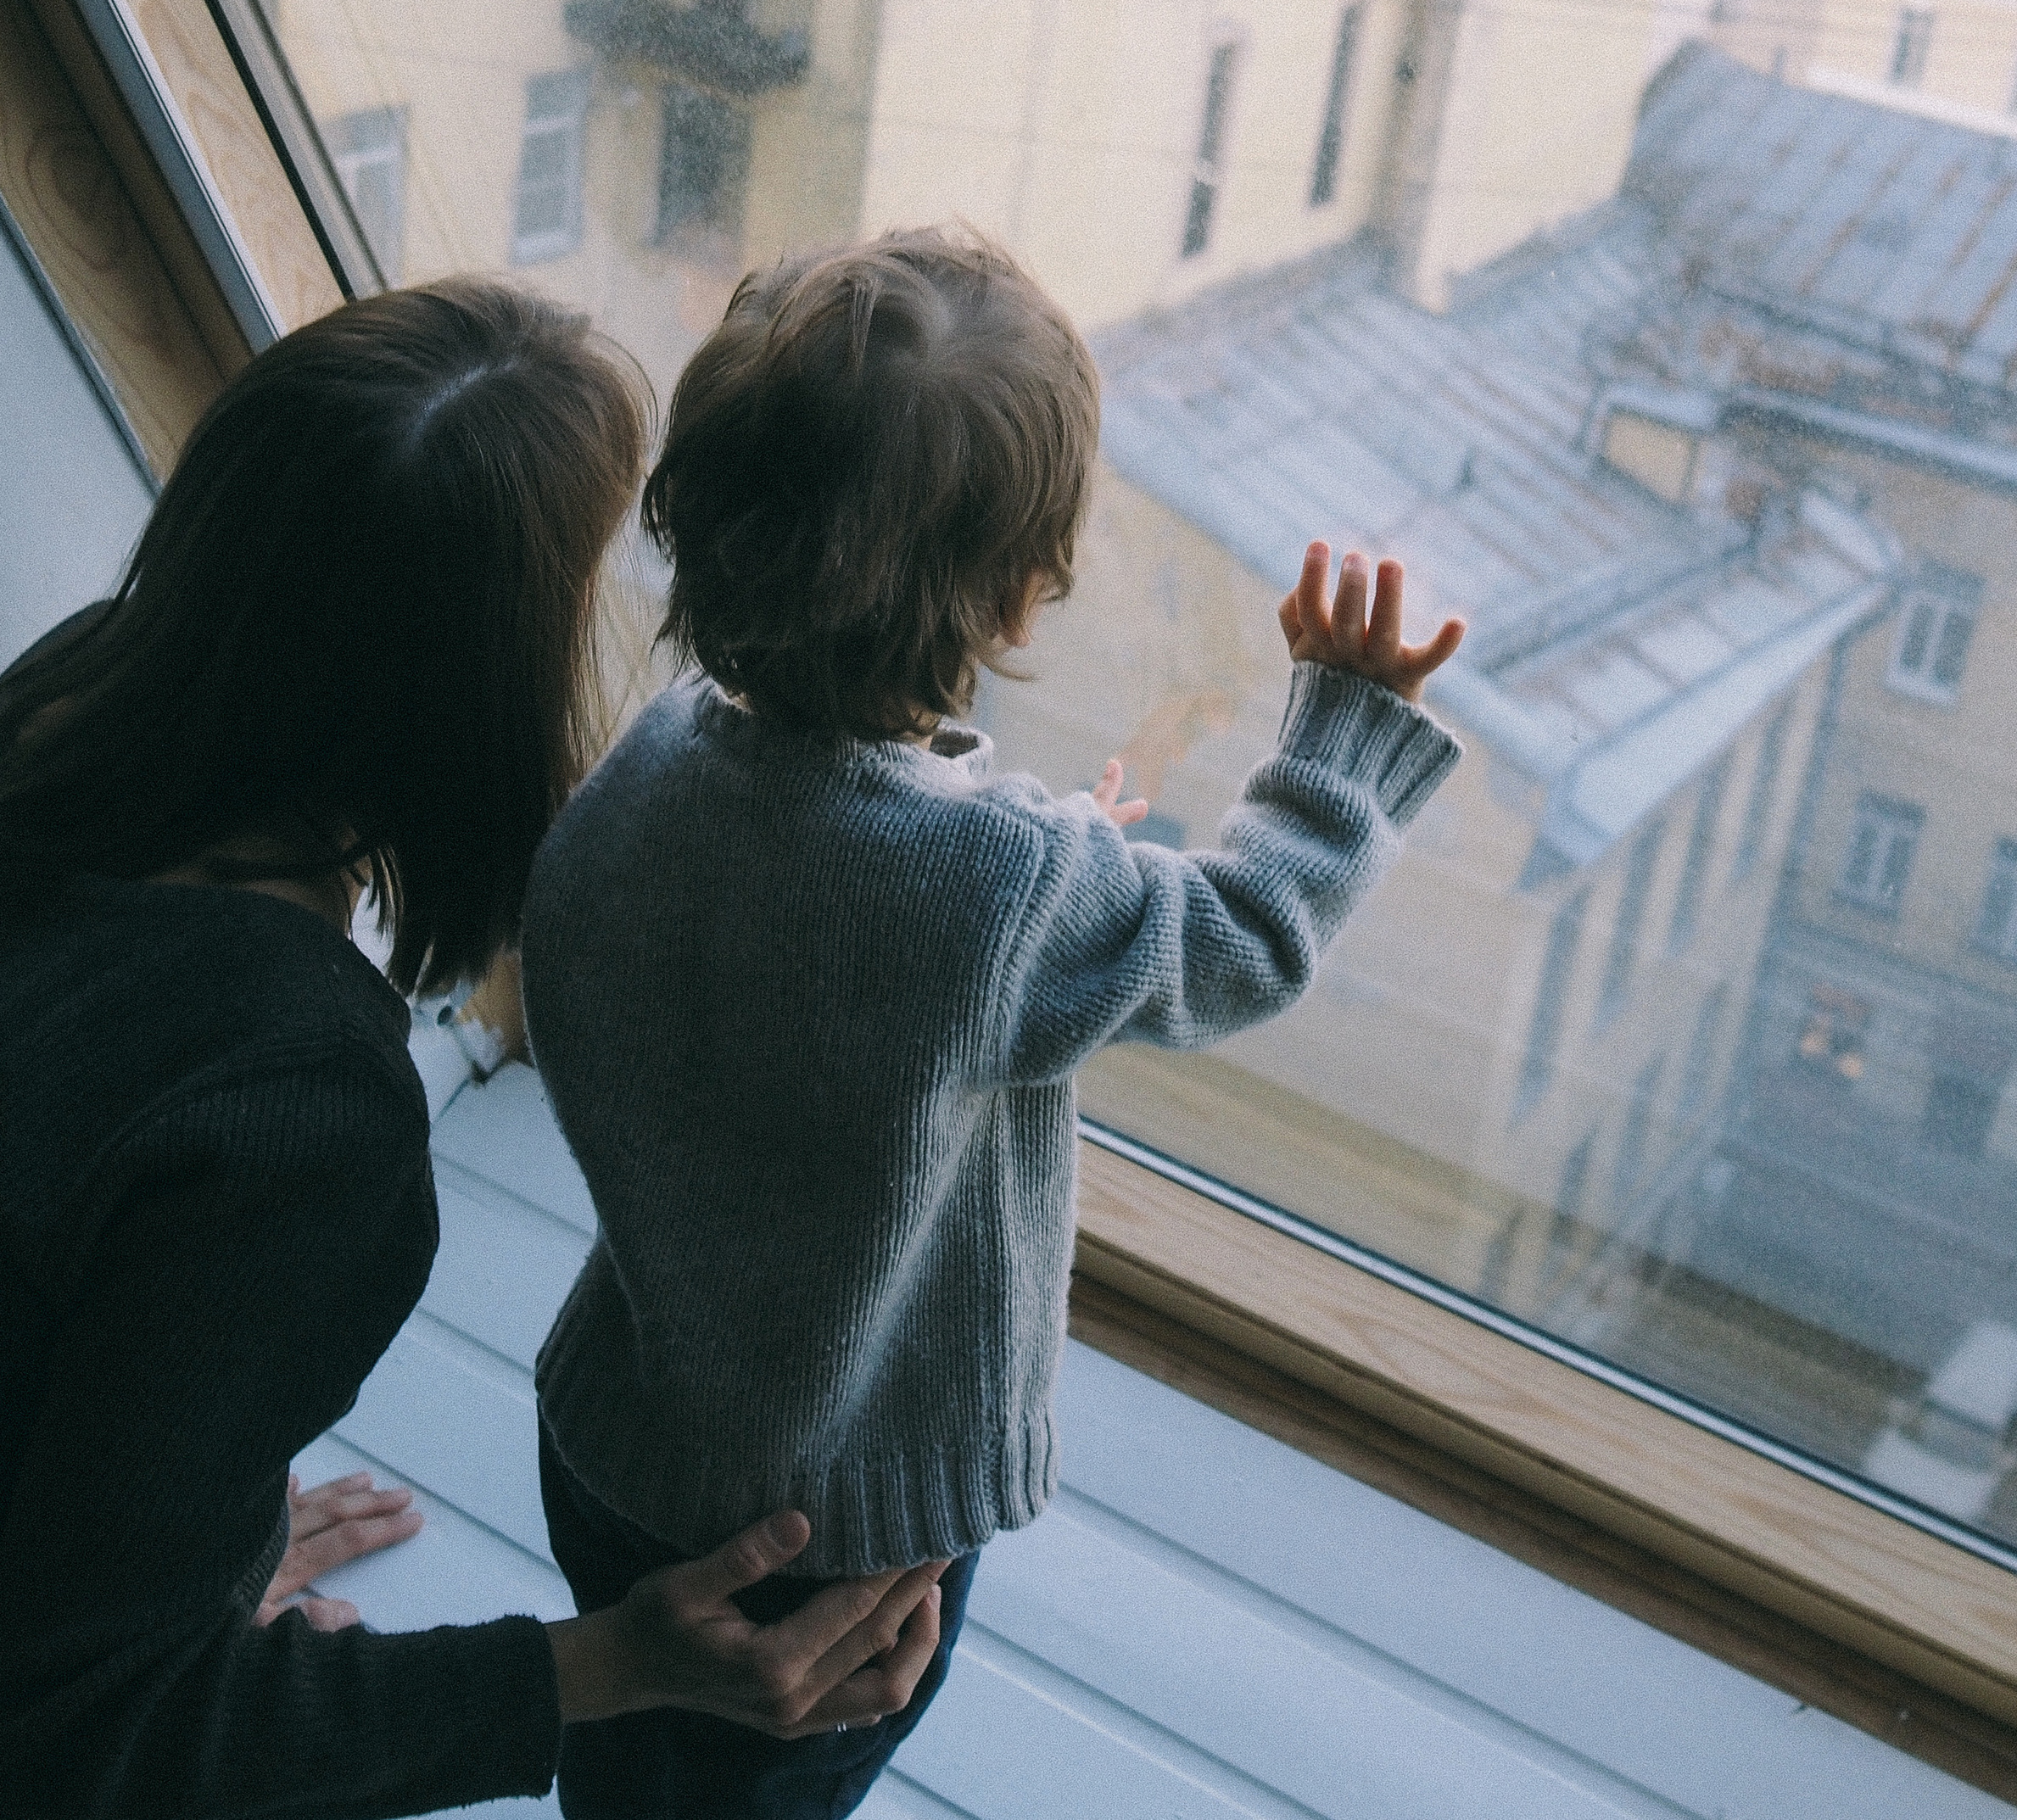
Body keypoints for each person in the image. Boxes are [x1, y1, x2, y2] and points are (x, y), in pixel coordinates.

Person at [519, 226, 1467, 1819]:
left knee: (630, 1768)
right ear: (1020, 599)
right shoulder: (1000, 891)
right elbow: (1243, 937)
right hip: (828, 1550)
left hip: (616, 1447)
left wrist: (1011, 862)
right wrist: (1344, 739)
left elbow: (776, 940)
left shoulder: (651, 763)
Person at [0, 279, 948, 1820]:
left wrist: (159, 1531)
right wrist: (610, 1663)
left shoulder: (63, 703)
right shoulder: (293, 1110)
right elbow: (79, 1741)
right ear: (488, 681)